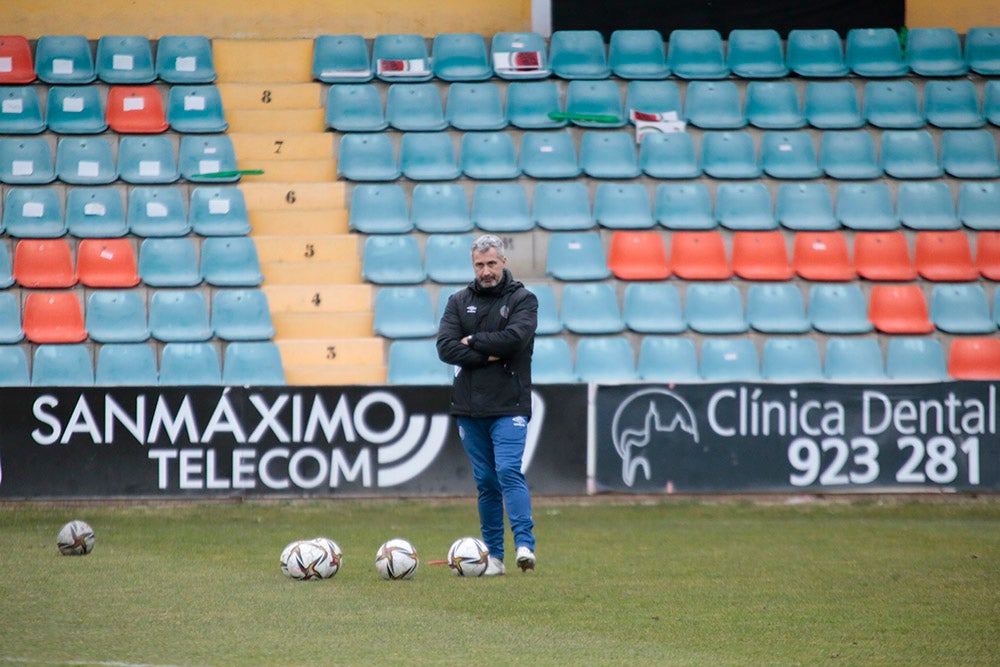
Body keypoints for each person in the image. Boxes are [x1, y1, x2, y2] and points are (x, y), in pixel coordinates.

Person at [436, 234, 538, 575]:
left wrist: (474, 342)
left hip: (509, 405)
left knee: (508, 471)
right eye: (480, 265)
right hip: (468, 407)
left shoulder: (524, 299)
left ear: (503, 263)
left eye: (492, 263)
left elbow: (515, 340)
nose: (486, 271)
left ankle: (524, 544)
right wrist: (490, 353)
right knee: (486, 482)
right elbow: (446, 348)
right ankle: (494, 557)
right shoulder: (457, 300)